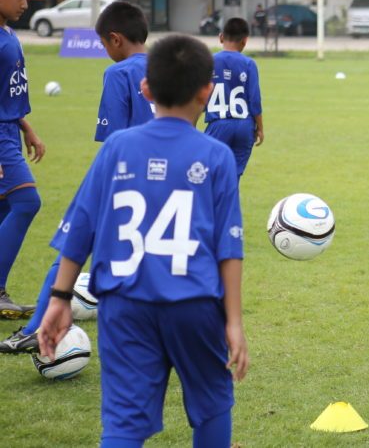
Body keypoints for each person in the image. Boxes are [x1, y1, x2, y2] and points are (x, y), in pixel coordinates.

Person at [37, 34, 248, 448]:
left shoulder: (117, 147)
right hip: (195, 303)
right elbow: (229, 248)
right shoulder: (216, 156)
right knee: (212, 405)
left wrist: (60, 297)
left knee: (123, 425)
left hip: (125, 304)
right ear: (207, 92)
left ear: (146, 89)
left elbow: (80, 228)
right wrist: (235, 321)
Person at [0, 0, 153, 353]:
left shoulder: (119, 73)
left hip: (122, 177)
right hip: (165, 178)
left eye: (102, 44)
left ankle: (35, 328)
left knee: (71, 247)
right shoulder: (165, 67)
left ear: (114, 39)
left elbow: (114, 139)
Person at [0, 0, 45, 320]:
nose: (25, 4)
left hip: (10, 131)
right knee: (28, 202)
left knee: (6, 210)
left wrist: (26, 127)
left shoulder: (10, 36)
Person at [205, 18, 264, 178]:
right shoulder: (249, 64)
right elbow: (254, 100)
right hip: (244, 126)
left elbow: (200, 97)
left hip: (218, 124)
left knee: (210, 175)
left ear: (221, 37)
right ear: (245, 41)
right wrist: (260, 128)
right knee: (233, 177)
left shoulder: (208, 61)